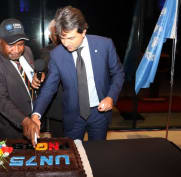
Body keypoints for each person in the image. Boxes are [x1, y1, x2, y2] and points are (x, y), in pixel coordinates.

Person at [32, 6, 124, 141]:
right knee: (72, 154)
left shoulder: (104, 45)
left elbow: (118, 73)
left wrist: (111, 97)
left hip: (99, 113)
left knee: (97, 153)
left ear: (83, 31)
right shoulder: (57, 55)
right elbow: (49, 88)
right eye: (62, 38)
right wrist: (36, 114)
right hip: (73, 115)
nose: (65, 43)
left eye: (71, 38)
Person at [0, 18, 39, 145]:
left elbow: (28, 78)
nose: (17, 50)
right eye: (11, 45)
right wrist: (25, 121)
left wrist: (38, 78)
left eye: (21, 44)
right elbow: (0, 100)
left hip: (34, 121)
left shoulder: (27, 52)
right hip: (9, 131)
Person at [38, 19, 64, 137]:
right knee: (59, 143)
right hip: (56, 107)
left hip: (76, 106)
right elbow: (44, 69)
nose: (49, 35)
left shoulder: (75, 48)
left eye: (52, 32)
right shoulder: (47, 51)